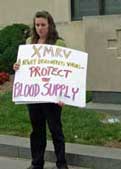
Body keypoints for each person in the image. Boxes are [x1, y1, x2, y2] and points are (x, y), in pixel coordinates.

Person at [13, 11, 69, 169]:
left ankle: (61, 163)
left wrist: (63, 95)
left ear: (50, 25)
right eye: (37, 25)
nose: (40, 28)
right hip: (34, 96)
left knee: (55, 130)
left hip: (52, 96)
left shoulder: (58, 44)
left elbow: (66, 72)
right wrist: (17, 66)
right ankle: (36, 163)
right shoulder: (29, 42)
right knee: (37, 131)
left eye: (43, 25)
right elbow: (24, 66)